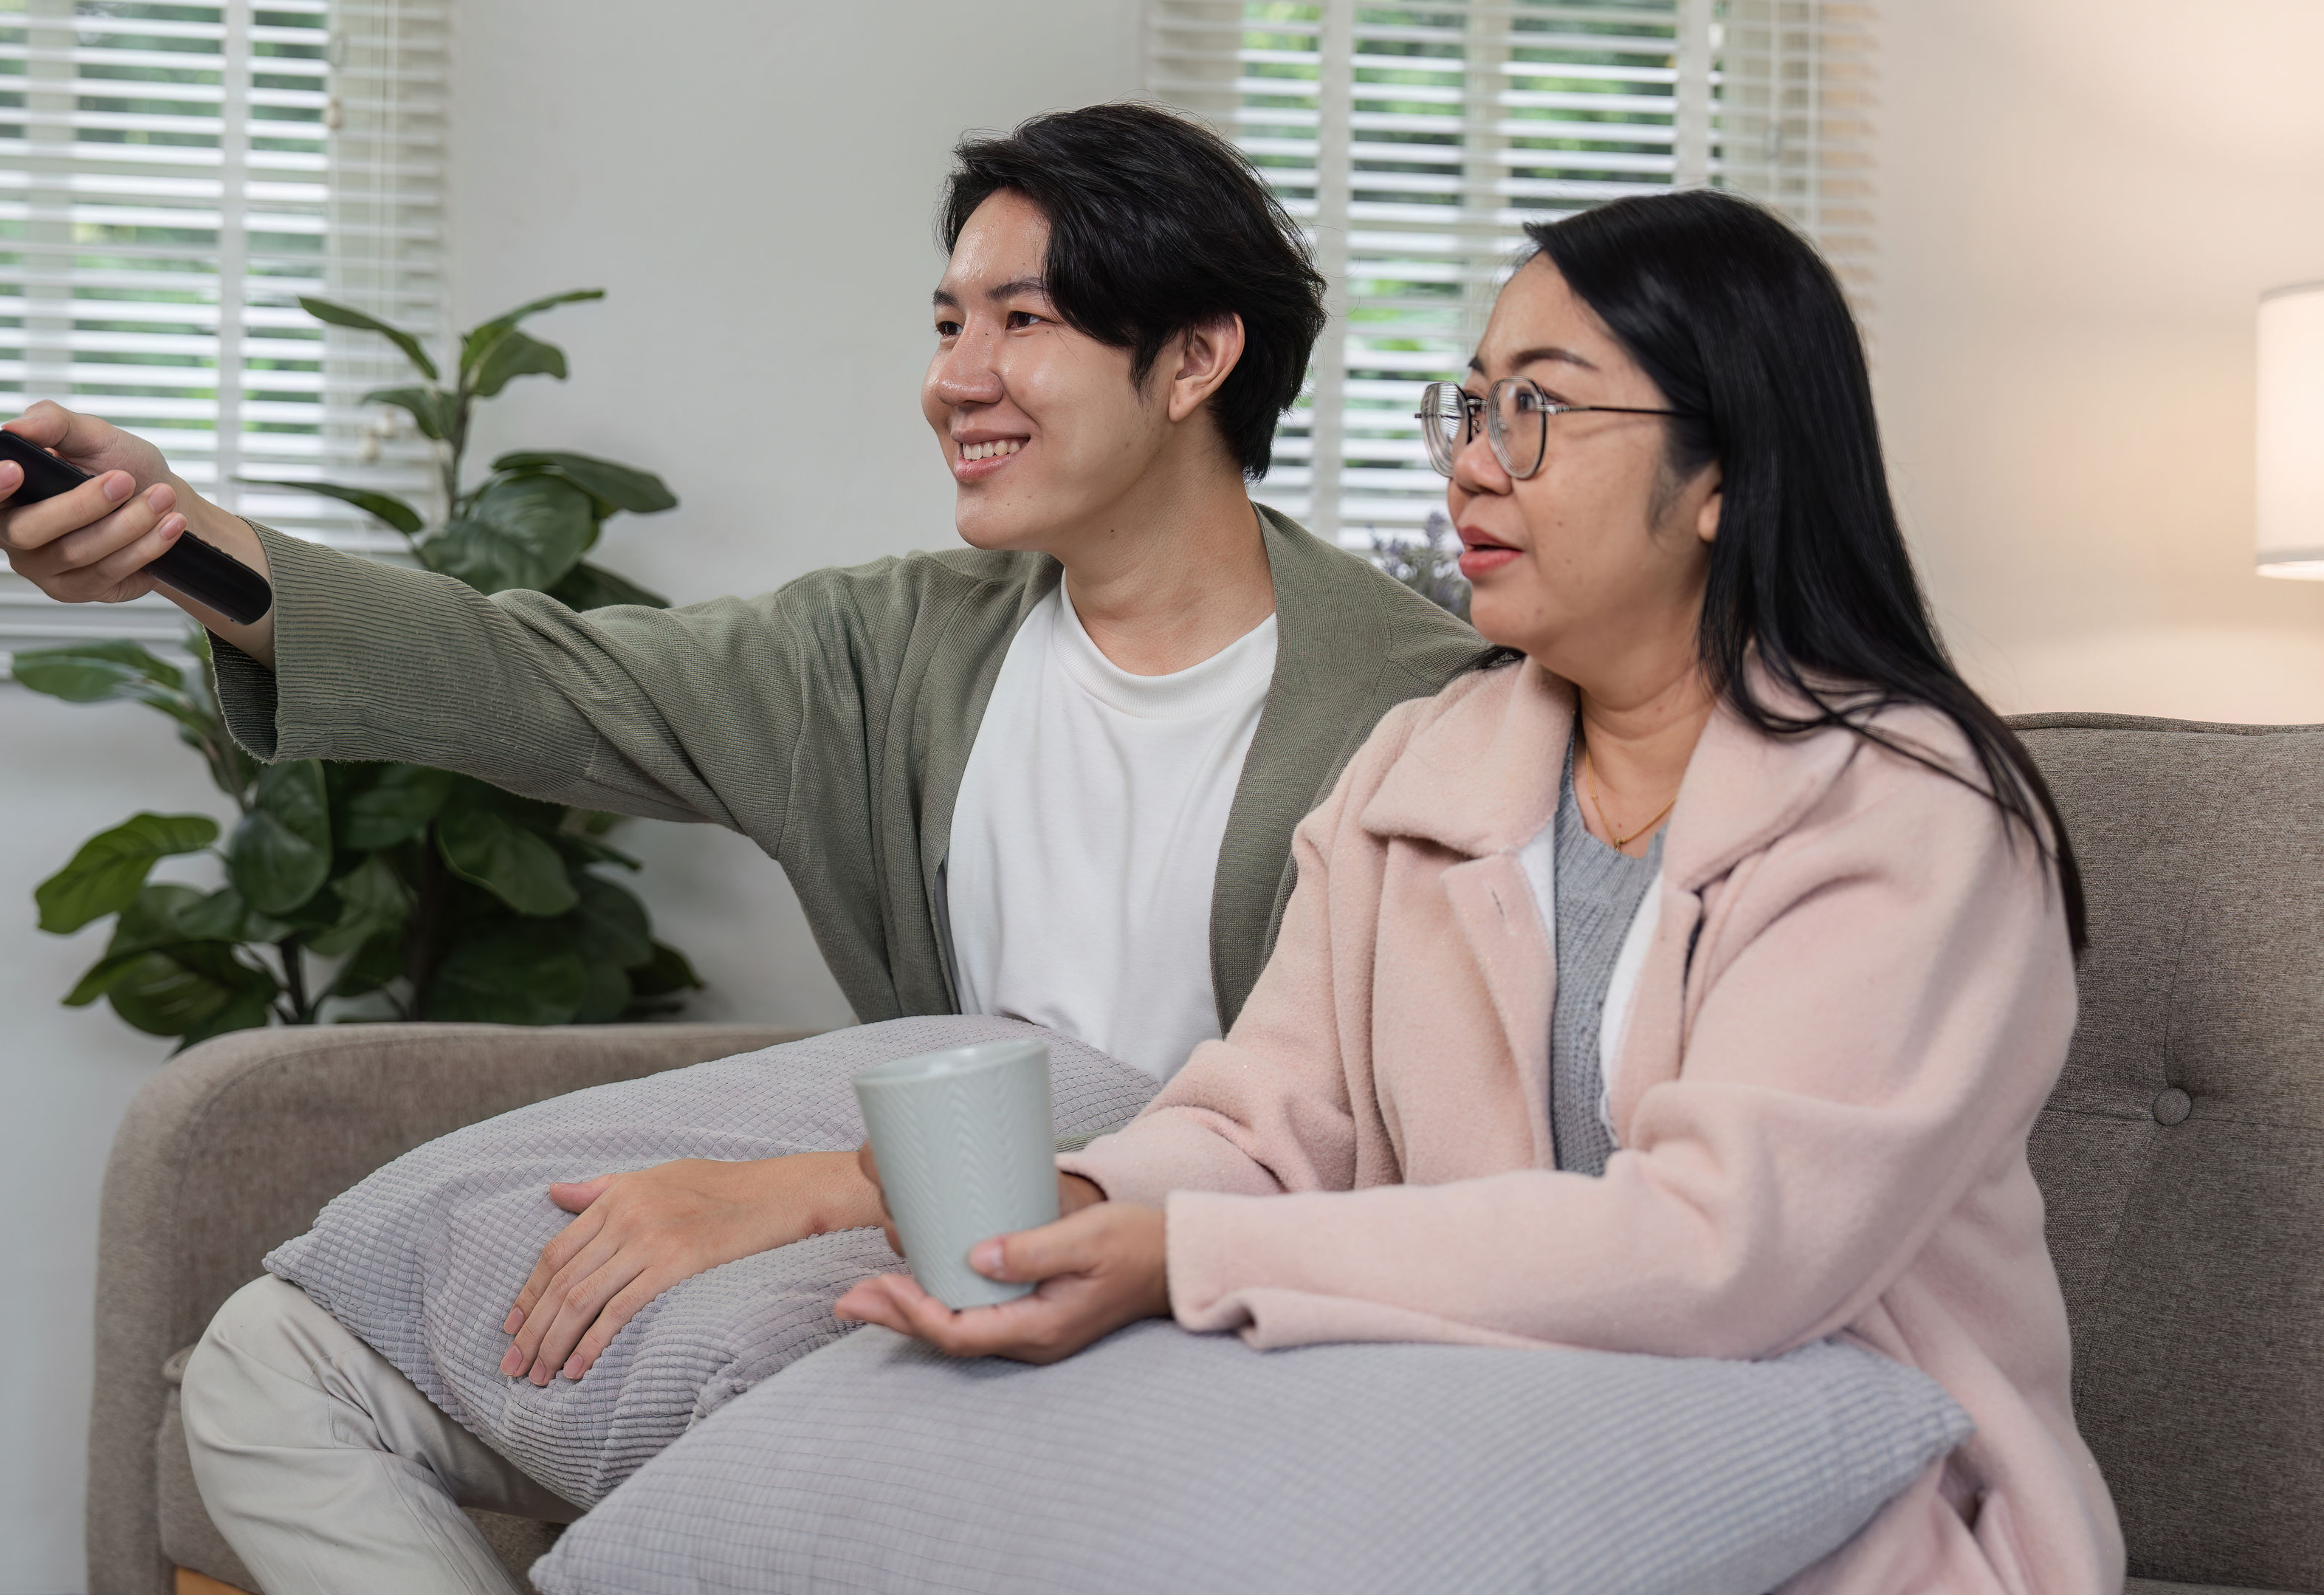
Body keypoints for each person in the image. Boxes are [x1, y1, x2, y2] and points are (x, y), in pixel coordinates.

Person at [0, 104, 1479, 1594]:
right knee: (269, 1368)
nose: (960, 377)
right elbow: (533, 675)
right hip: (912, 1251)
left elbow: (1414, 1146)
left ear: (1199, 356)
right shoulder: (886, 654)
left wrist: (805, 1192)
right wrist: (181, 544)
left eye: (1024, 321)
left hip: (1197, 1300)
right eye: (947, 324)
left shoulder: (1419, 705)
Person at [834, 187, 2128, 1593]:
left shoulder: (1908, 809)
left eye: (1539, 414)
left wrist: (1183, 1255)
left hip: (1856, 1514)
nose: (1471, 469)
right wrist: (1081, 1200)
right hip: (1468, 1454)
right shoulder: (1422, 764)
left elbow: (1720, 1253)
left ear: (1725, 477)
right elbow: (1270, 1123)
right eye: (1467, 411)